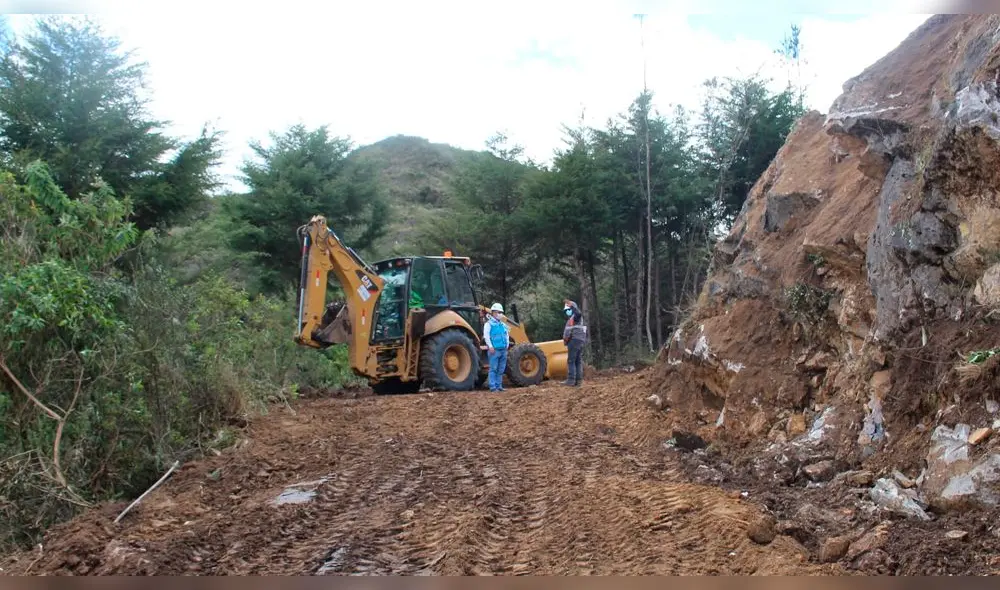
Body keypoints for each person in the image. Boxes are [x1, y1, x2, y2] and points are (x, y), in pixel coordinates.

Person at [483, 302, 510, 392]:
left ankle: (499, 386)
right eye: (498, 312)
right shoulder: (488, 324)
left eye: (501, 312)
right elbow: (486, 336)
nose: (500, 314)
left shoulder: (502, 325)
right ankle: (493, 387)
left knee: (501, 369)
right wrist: (490, 346)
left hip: (503, 350)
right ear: (493, 313)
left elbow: (506, 335)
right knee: (493, 368)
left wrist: (507, 345)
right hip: (494, 350)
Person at [561, 299, 588, 387]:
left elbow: (578, 313)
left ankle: (571, 380)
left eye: (568, 310)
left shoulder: (576, 316)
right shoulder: (573, 318)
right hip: (579, 340)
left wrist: (571, 305)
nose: (567, 312)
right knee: (577, 360)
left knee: (571, 360)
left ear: (573, 308)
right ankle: (578, 381)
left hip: (574, 340)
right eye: (566, 310)